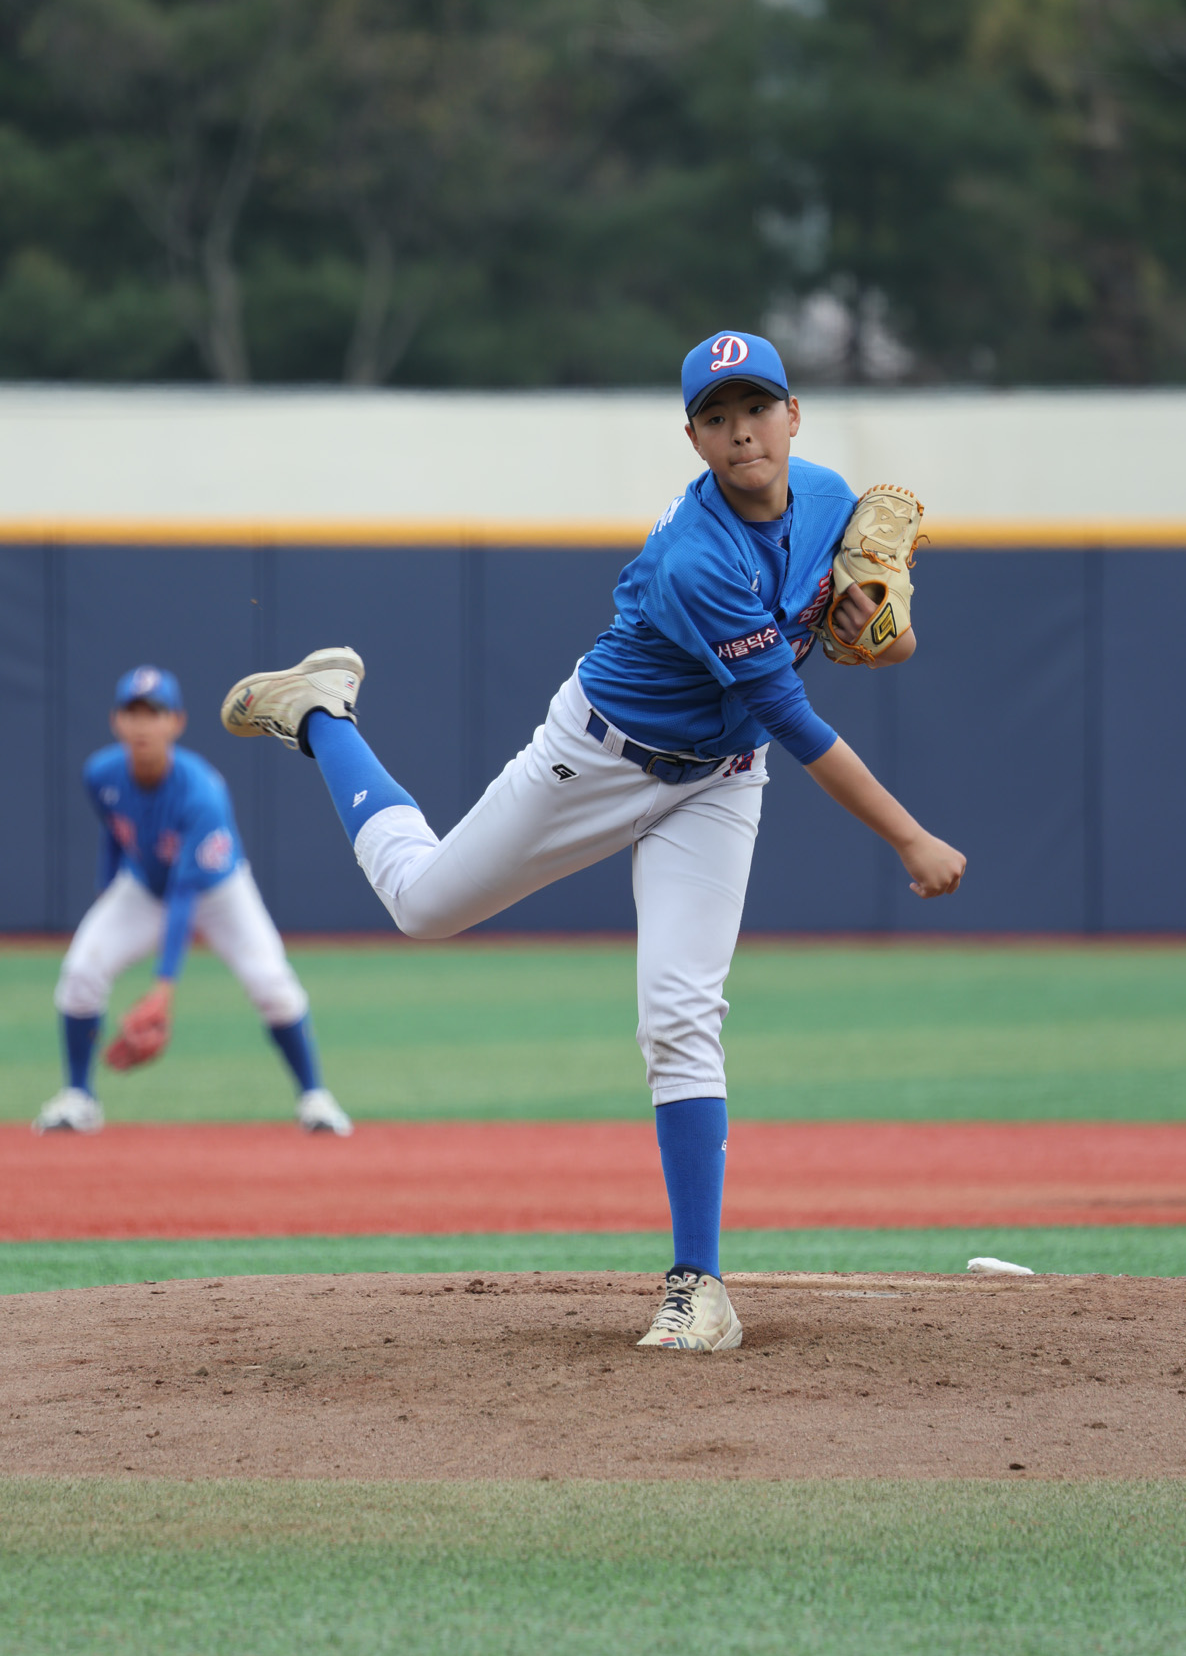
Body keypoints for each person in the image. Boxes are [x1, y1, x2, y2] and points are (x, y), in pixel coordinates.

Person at [220, 331, 964, 1349]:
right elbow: (796, 721)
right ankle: (320, 713)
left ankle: (698, 1285)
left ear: (793, 415)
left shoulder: (830, 499)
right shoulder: (698, 557)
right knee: (423, 906)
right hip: (597, 757)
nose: (742, 429)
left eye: (758, 406)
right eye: (717, 415)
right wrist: (910, 837)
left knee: (681, 1014)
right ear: (694, 438)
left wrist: (878, 621)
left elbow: (883, 642)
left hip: (718, 781)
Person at [33, 664, 352, 1138]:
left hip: (220, 892)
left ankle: (315, 1098)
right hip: (142, 886)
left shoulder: (201, 794)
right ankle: (78, 1097)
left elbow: (185, 895)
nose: (143, 724)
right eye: (133, 712)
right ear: (116, 721)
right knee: (81, 971)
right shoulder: (100, 774)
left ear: (176, 722)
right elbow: (115, 833)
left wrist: (163, 989)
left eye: (155, 712)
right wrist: (105, 897)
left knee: (272, 984)